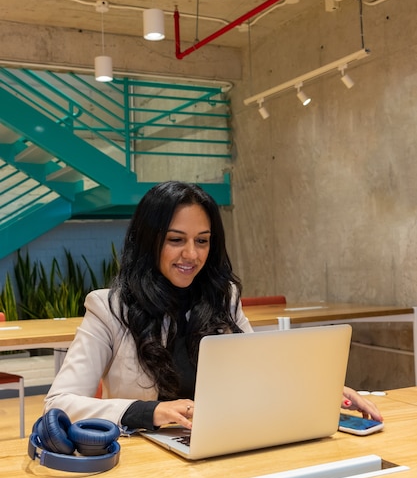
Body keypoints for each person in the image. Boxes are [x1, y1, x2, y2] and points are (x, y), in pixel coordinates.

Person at [44, 181, 382, 432]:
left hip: (226, 441)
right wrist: (148, 412)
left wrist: (320, 389)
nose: (191, 254)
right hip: (150, 460)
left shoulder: (224, 298)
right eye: (176, 240)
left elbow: (262, 371)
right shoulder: (108, 308)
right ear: (149, 242)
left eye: (202, 241)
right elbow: (58, 405)